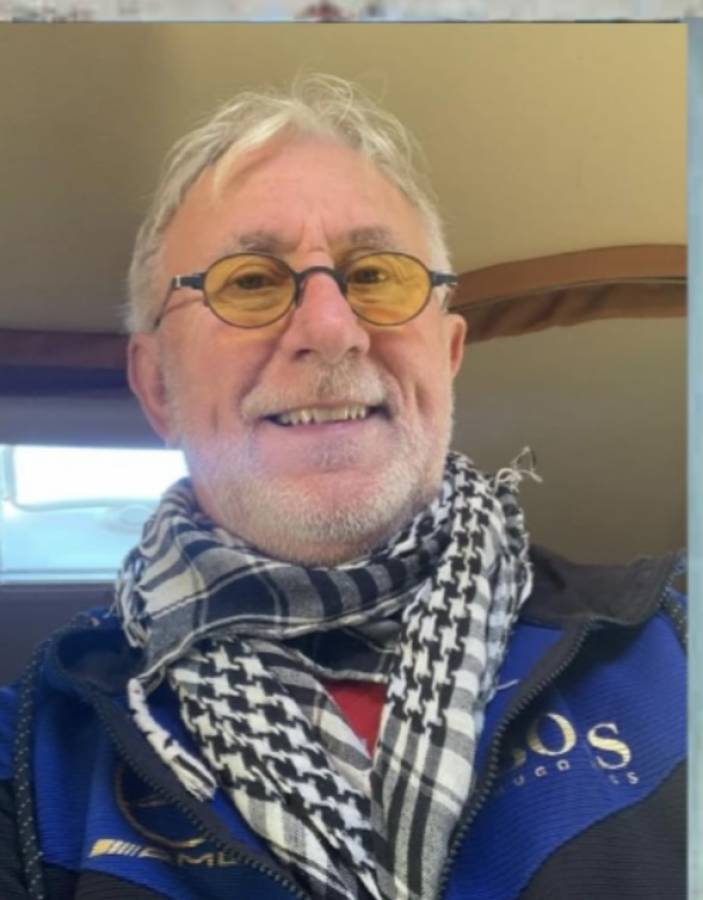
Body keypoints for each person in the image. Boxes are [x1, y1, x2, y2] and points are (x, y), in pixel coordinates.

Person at [0, 74, 685, 900]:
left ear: (448, 353)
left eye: (375, 276)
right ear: (156, 388)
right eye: (249, 282)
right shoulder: (34, 759)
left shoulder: (674, 639)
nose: (331, 329)